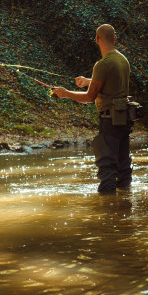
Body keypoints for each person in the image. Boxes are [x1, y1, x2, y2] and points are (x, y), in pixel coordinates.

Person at [52, 24, 132, 193]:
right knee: (124, 165)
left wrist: (65, 93)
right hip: (125, 118)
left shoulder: (102, 64)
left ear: (97, 39)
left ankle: (106, 210)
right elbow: (111, 83)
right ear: (115, 39)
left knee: (107, 167)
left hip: (109, 121)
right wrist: (88, 81)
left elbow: (89, 97)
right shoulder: (122, 60)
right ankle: (126, 206)